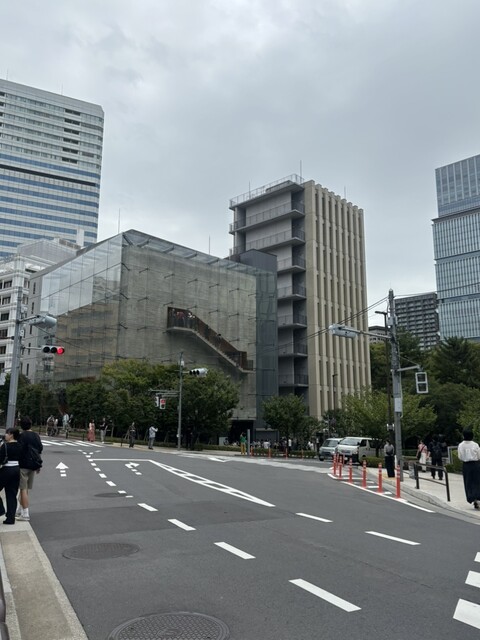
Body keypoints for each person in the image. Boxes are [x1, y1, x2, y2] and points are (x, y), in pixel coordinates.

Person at [17, 415, 43, 522]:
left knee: (23, 489)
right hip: (33, 465)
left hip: (23, 465)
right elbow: (40, 449)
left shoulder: (21, 436)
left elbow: (19, 450)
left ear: (21, 426)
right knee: (26, 488)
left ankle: (25, 514)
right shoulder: (36, 435)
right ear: (30, 425)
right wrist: (38, 464)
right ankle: (19, 510)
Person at [0, 428, 23, 524]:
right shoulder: (20, 446)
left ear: (11, 435)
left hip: (6, 470)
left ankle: (1, 509)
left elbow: (0, 459)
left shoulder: (5, 446)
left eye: (7, 433)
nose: (5, 435)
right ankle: (10, 518)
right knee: (12, 494)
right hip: (16, 470)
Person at [457, 429, 480, 509]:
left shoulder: (461, 445)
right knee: (477, 481)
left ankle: (472, 498)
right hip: (476, 464)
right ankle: (478, 497)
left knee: (468, 482)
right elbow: (479, 455)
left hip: (466, 465)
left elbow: (460, 457)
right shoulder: (475, 444)